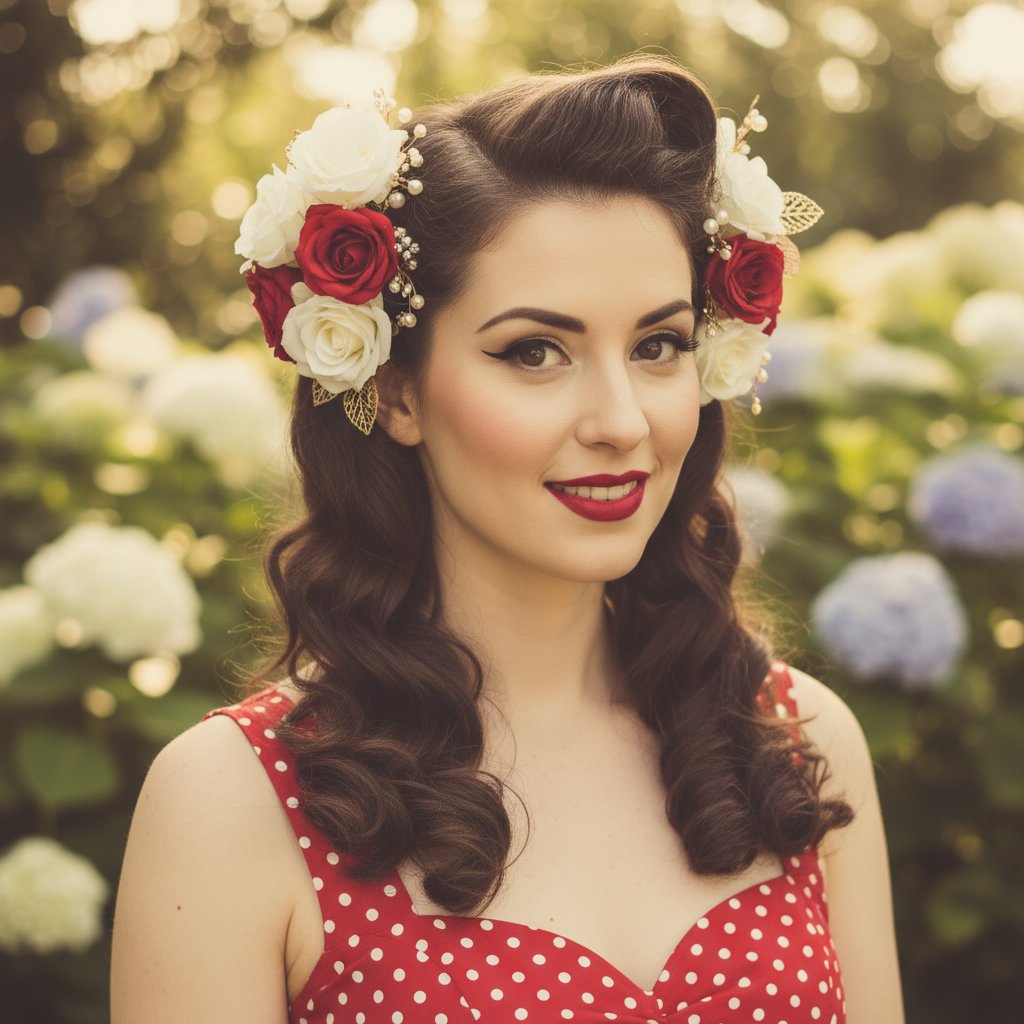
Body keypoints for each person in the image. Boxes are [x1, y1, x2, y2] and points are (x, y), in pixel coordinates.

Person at [110, 53, 904, 1024]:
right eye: (535, 352)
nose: (621, 419)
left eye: (657, 345)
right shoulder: (231, 802)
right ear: (394, 388)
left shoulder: (799, 741)